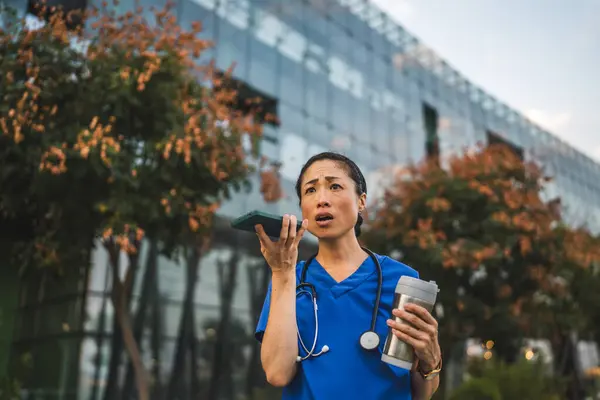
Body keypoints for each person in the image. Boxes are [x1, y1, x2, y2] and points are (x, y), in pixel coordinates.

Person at [254, 152, 442, 399]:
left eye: (334, 186)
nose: (322, 199)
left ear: (361, 201)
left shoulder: (402, 281)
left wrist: (431, 364)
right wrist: (282, 273)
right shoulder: (289, 277)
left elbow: (420, 393)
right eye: (310, 191)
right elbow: (277, 373)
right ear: (303, 208)